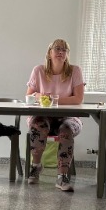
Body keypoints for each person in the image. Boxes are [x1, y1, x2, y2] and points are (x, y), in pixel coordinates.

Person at [25, 38, 86, 192]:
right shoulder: (38, 70)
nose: (61, 52)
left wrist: (53, 100)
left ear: (67, 54)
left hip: (68, 117)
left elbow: (78, 99)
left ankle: (62, 176)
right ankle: (36, 166)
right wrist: (39, 96)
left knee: (66, 129)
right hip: (43, 116)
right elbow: (29, 96)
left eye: (64, 49)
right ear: (49, 53)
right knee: (38, 126)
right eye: (57, 48)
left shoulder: (75, 71)